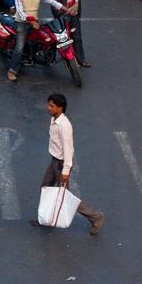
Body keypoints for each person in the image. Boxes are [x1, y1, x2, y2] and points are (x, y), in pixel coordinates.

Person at [30, 94, 104, 235]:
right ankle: (46, 218)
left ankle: (95, 216)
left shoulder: (65, 126)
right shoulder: (54, 119)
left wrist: (66, 170)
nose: (48, 108)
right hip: (54, 161)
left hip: (61, 164)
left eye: (52, 106)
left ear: (60, 108)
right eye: (49, 105)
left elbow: (68, 149)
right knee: (45, 188)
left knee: (65, 197)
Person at [8, 0, 72, 81]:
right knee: (19, 47)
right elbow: (20, 12)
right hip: (22, 22)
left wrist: (63, 8)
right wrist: (31, 21)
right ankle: (12, 70)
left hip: (35, 21)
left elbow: (51, 1)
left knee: (48, 36)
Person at [50, 0, 90, 67]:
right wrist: (60, 15)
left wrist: (77, 12)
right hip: (64, 17)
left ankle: (80, 60)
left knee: (77, 38)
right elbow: (54, 3)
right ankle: (68, 61)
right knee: (64, 40)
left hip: (75, 16)